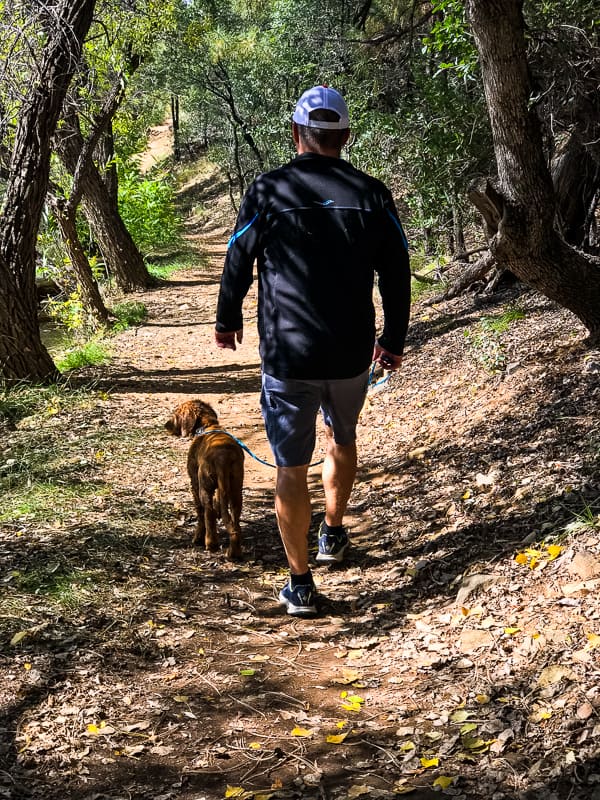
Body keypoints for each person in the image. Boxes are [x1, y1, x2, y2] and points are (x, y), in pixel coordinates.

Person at [215, 85, 410, 617]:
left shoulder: (269, 190)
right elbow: (395, 274)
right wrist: (392, 340)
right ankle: (333, 532)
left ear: (297, 133)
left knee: (289, 466)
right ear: (345, 136)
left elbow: (238, 257)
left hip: (287, 354)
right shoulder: (372, 194)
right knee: (341, 436)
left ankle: (299, 583)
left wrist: (226, 318)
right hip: (349, 353)